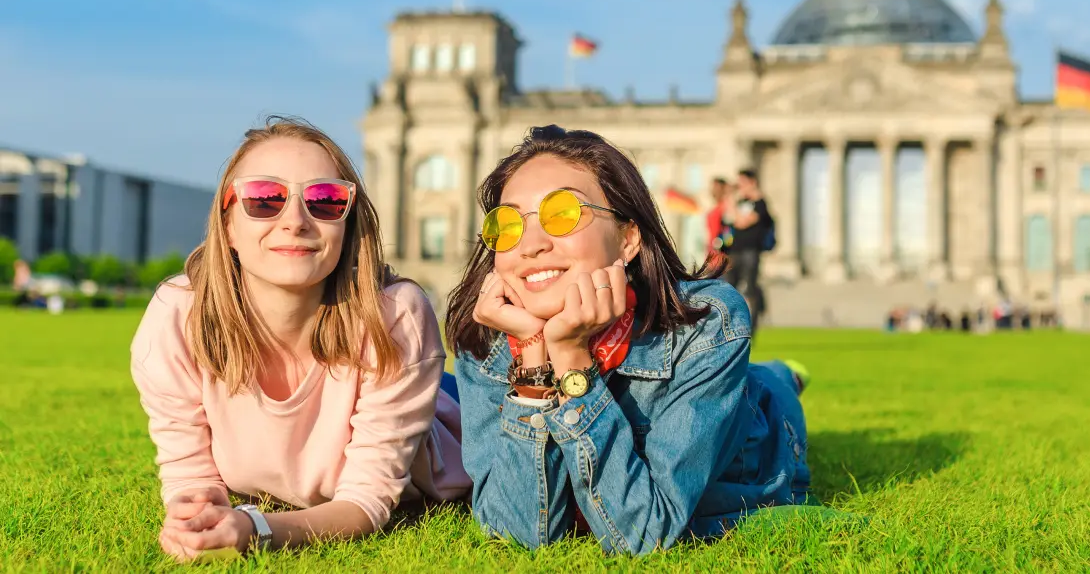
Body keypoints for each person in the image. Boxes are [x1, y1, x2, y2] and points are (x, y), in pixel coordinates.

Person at [445, 125, 811, 554]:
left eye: (562, 214)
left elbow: (641, 532)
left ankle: (782, 376)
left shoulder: (705, 323)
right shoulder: (486, 340)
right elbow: (519, 532)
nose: (531, 244)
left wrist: (571, 357)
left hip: (759, 429)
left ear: (627, 239)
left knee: (769, 386)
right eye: (506, 224)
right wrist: (532, 363)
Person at [129, 117, 470, 562]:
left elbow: (367, 500)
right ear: (228, 224)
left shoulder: (394, 316)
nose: (295, 221)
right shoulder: (177, 316)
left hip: (441, 406)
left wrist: (257, 528)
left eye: (325, 200)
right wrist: (197, 519)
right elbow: (190, 478)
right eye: (264, 198)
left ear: (347, 224)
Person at [724, 169, 773, 333]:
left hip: (751, 251)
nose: (740, 187)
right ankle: (731, 324)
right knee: (729, 287)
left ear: (752, 182)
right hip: (735, 250)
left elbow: (743, 222)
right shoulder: (740, 202)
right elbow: (731, 218)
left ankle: (751, 326)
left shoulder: (760, 203)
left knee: (749, 288)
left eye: (742, 183)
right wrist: (732, 198)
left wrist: (737, 215)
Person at [705, 177, 732, 264]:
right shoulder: (715, 207)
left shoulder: (726, 206)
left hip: (722, 254)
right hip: (712, 253)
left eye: (716, 187)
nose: (713, 190)